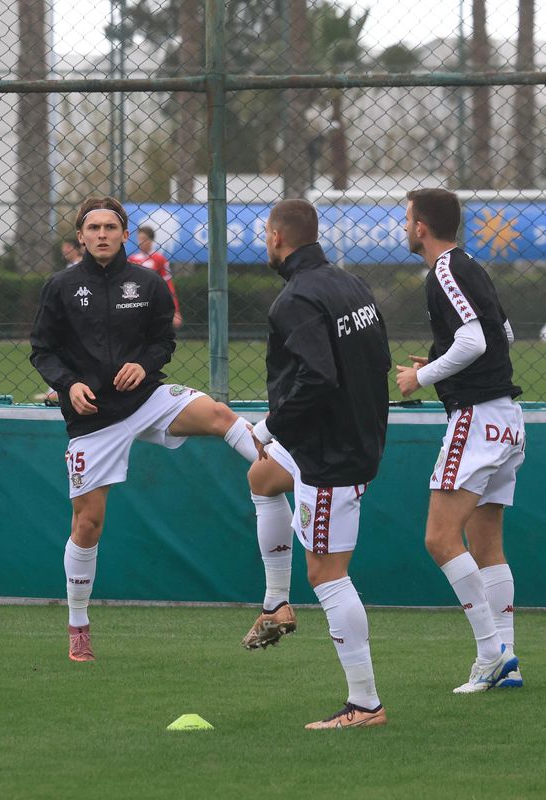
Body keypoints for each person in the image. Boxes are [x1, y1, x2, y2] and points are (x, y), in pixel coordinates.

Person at [29, 196, 258, 663]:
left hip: (147, 400)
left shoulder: (148, 282)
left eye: (111, 227)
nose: (102, 235)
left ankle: (291, 472)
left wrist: (143, 363)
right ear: (80, 235)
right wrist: (68, 384)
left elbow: (163, 340)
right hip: (93, 419)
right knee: (88, 525)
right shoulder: (61, 286)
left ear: (124, 233)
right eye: (93, 228)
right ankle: (78, 626)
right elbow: (42, 351)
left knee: (217, 415)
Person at [242, 200, 391, 730]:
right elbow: (377, 364)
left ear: (278, 237)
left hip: (330, 453)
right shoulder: (351, 284)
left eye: (266, 235)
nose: (266, 242)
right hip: (346, 435)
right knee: (262, 478)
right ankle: (276, 603)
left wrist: (270, 425)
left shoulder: (294, 299)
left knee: (327, 574)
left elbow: (319, 376)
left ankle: (365, 704)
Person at [395, 187, 524, 693]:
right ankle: (507, 657)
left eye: (407, 219)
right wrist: (438, 363)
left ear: (422, 226)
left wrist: (422, 379)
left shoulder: (444, 270)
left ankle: (491, 654)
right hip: (508, 421)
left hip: (476, 418)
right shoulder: (473, 267)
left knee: (439, 538)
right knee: (486, 543)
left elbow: (475, 340)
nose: (404, 228)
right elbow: (504, 335)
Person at [128, 226, 182, 329]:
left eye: (144, 239)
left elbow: (169, 284)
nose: (140, 242)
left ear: (151, 240)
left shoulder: (160, 259)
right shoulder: (131, 260)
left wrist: (176, 311)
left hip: (155, 304)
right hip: (135, 305)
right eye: (139, 239)